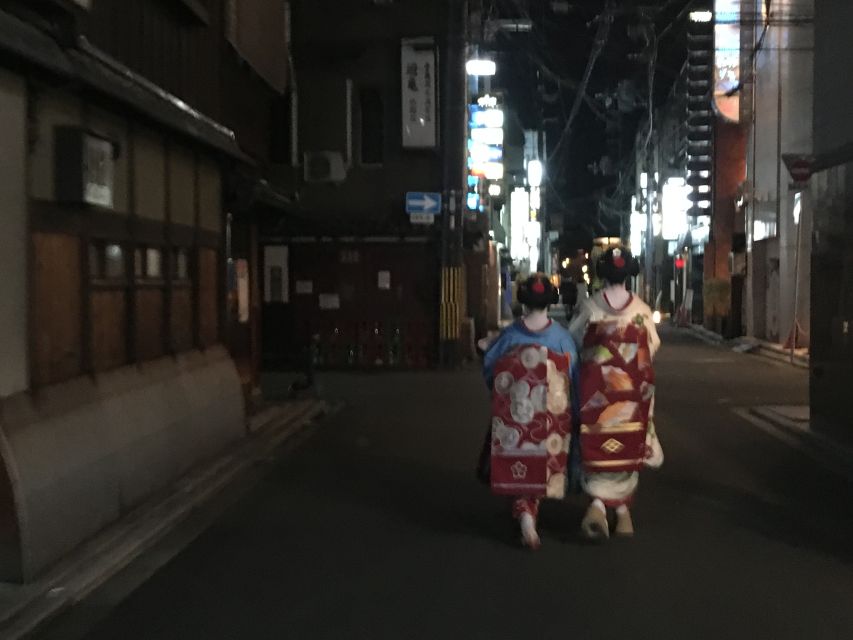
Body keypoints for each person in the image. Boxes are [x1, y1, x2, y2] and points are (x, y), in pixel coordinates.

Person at [569, 247, 662, 541]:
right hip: (632, 394)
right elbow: (652, 346)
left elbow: (574, 342)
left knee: (596, 447)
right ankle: (622, 512)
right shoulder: (642, 310)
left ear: (602, 274)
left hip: (596, 395)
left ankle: (598, 504)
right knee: (629, 445)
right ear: (629, 274)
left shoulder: (590, 307)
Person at [481, 273, 580, 550]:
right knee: (543, 466)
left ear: (523, 301)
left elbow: (491, 372)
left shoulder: (510, 336)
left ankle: (525, 513)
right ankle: (528, 512)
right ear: (551, 301)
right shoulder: (562, 339)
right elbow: (574, 377)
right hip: (551, 422)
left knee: (518, 462)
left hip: (516, 416)